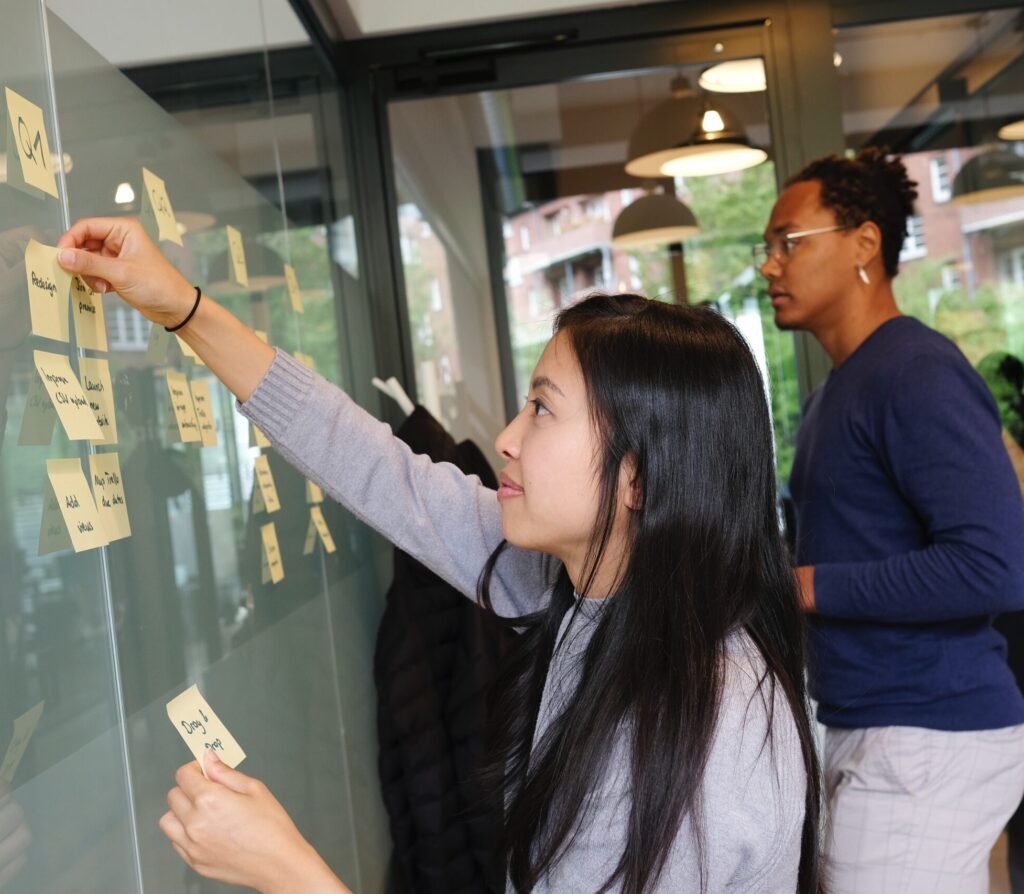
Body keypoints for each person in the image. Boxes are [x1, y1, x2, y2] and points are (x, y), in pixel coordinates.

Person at [56, 216, 823, 893]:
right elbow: (369, 464)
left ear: (637, 478)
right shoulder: (572, 584)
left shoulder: (703, 725)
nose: (507, 439)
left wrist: (284, 869)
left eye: (543, 410)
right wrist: (181, 307)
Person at [757, 147, 1024, 893]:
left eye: (789, 242)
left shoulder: (917, 370)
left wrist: (808, 586)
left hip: (927, 736)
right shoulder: (840, 390)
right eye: (767, 248)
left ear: (864, 244)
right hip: (875, 728)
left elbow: (993, 563)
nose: (769, 266)